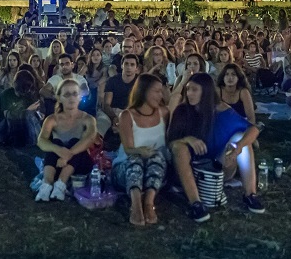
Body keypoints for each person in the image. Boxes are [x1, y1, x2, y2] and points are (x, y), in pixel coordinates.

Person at [167, 73, 263, 223]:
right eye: (188, 89)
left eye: (194, 90)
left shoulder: (221, 110)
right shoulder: (182, 110)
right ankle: (196, 204)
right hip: (187, 170)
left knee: (241, 140)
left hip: (216, 169)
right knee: (180, 147)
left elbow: (254, 129)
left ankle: (250, 194)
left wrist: (238, 146)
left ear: (206, 91)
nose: (190, 93)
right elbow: (170, 143)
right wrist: (187, 139)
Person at [111, 74, 169, 226]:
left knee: (156, 157)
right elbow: (129, 149)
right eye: (156, 91)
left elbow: (174, 100)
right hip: (126, 169)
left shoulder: (164, 113)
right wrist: (141, 151)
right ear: (143, 91)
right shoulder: (127, 115)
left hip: (154, 170)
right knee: (136, 158)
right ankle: (136, 204)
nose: (160, 95)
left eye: (161, 91)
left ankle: (149, 203)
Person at [34, 79, 98, 202]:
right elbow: (41, 140)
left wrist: (68, 155)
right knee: (55, 144)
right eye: (67, 94)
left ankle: (61, 184)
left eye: (75, 94)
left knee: (75, 142)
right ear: (59, 98)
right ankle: (47, 184)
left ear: (80, 96)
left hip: (80, 163)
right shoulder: (52, 119)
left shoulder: (88, 119)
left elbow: (89, 139)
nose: (71, 98)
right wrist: (59, 150)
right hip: (58, 163)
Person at [0, 70, 41, 147]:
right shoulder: (7, 94)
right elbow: (8, 115)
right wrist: (27, 111)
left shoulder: (28, 95)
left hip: (20, 125)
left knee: (31, 115)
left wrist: (38, 113)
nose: (28, 90)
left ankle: (38, 140)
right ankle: (33, 141)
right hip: (3, 127)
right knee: (26, 114)